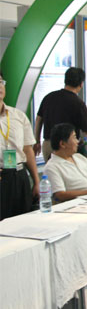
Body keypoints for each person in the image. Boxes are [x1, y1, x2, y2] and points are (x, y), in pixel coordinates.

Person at [0, 71, 40, 220]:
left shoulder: (18, 115)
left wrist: (36, 181)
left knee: (23, 220)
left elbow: (27, 149)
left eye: (1, 82)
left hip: (19, 175)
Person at [34, 67, 87, 162]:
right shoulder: (79, 103)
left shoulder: (48, 97)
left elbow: (38, 120)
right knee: (68, 170)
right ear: (81, 84)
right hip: (67, 146)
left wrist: (37, 141)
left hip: (48, 145)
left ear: (65, 80)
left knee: (51, 170)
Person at [44, 123, 87, 202]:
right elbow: (60, 195)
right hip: (82, 202)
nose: (77, 141)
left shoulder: (79, 157)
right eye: (74, 138)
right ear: (62, 144)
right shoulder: (51, 167)